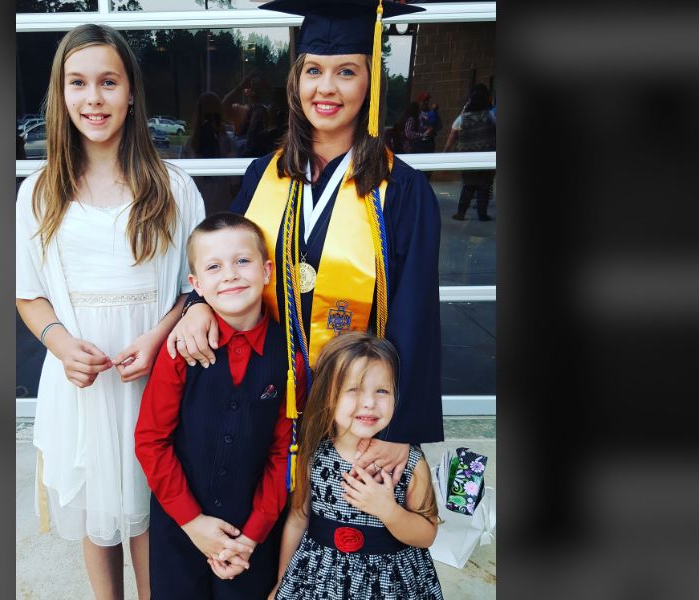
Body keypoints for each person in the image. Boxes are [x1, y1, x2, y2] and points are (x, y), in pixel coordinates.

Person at [168, 0, 444, 483]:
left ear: (371, 82)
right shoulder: (264, 174)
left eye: (346, 72)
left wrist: (399, 426)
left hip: (355, 408)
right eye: (314, 70)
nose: (327, 88)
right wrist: (197, 303)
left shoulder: (402, 190)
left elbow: (415, 311)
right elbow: (228, 258)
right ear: (296, 80)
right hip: (262, 391)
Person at [15, 24, 205, 599]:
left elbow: (197, 289)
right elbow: (28, 293)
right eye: (78, 83)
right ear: (60, 94)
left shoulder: (173, 187)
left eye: (108, 82)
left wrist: (157, 337)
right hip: (82, 381)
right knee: (97, 512)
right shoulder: (39, 192)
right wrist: (58, 342)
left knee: (151, 505)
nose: (93, 98)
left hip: (155, 371)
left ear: (130, 93)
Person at [135, 213, 306, 599]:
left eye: (242, 261)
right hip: (179, 527)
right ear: (196, 284)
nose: (230, 275)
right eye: (214, 266)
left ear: (266, 271)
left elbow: (285, 454)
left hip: (250, 534)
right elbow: (150, 441)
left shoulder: (291, 358)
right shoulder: (180, 350)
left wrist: (251, 537)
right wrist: (193, 523)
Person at [269, 333, 443, 599]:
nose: (369, 403)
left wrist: (388, 510)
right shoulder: (314, 455)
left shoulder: (409, 463)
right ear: (329, 396)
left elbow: (427, 534)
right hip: (321, 583)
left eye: (382, 391)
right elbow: (298, 519)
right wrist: (283, 582)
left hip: (390, 586)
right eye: (353, 390)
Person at [443, 83, 496, 221]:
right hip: (487, 159)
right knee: (484, 186)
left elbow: (451, 139)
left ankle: (461, 213)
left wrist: (444, 155)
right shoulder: (491, 116)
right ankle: (482, 214)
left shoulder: (462, 118)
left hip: (468, 159)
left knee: (468, 186)